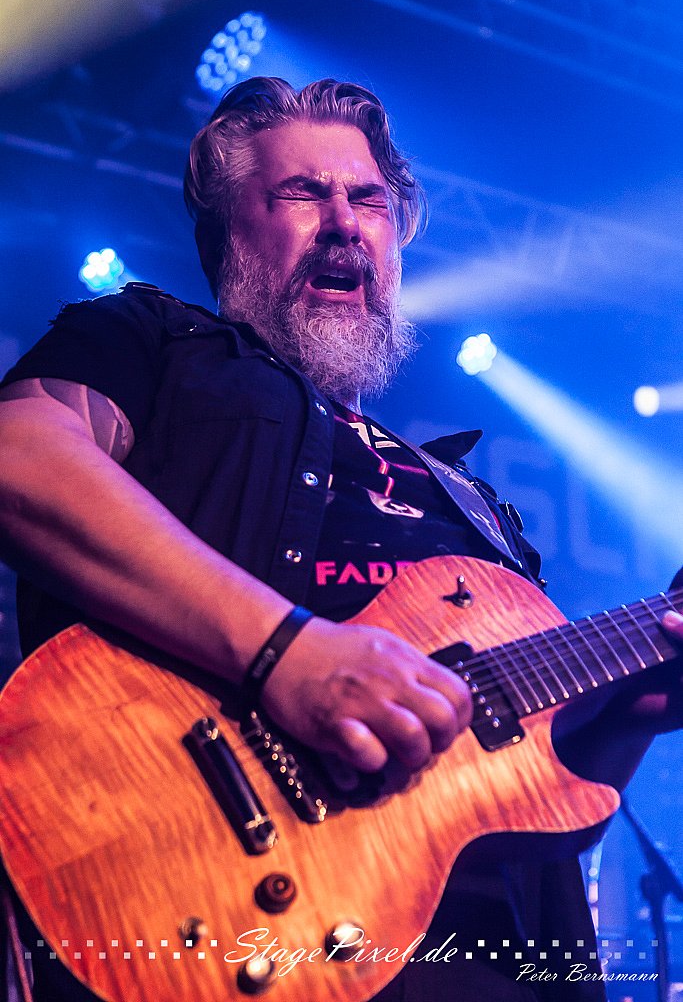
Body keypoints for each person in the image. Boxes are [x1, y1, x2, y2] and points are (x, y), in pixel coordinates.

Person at [0, 76, 681, 1002]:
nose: (342, 224)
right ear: (226, 230)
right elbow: (19, 458)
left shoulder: (474, 503)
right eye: (301, 193)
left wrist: (629, 712)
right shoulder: (150, 339)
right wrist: (286, 650)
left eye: (367, 200)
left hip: (477, 958)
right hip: (202, 891)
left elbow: (514, 803)